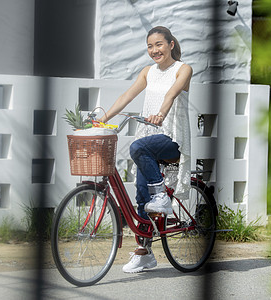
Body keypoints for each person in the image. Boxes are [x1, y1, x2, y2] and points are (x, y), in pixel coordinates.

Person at [99, 26, 192, 273]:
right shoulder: (147, 72)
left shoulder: (183, 69)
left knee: (137, 147)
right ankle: (145, 252)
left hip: (171, 137)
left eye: (159, 44)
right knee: (141, 195)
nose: (154, 50)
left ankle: (162, 196)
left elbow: (172, 92)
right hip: (148, 140)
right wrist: (102, 118)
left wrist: (161, 113)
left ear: (171, 44)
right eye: (150, 46)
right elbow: (127, 96)